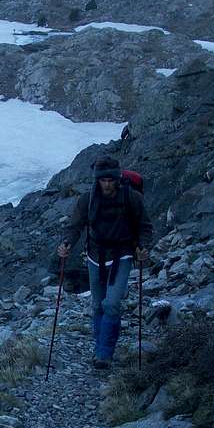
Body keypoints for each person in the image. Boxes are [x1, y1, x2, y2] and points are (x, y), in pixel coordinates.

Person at [57, 156, 153, 368]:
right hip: (95, 256)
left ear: (118, 178)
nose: (107, 184)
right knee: (98, 305)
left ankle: (104, 353)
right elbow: (75, 227)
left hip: (123, 255)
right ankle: (101, 347)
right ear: (97, 180)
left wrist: (143, 247)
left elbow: (145, 226)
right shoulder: (87, 200)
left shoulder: (132, 198)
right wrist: (66, 243)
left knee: (111, 304)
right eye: (103, 180)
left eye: (111, 180)